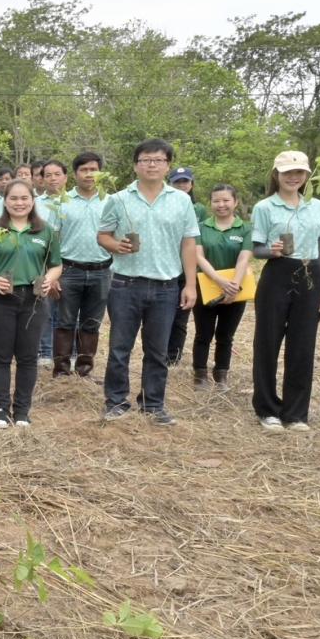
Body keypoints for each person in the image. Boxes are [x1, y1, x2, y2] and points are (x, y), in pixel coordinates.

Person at [97, 139, 199, 426]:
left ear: (167, 165)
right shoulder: (118, 199)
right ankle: (116, 401)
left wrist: (189, 284)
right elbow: (102, 236)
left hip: (166, 287)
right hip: (125, 284)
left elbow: (188, 244)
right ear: (135, 165)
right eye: (145, 159)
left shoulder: (181, 201)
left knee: (158, 350)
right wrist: (115, 246)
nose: (151, 164)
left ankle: (153, 404)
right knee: (119, 347)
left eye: (158, 160)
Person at [250, 151, 320, 432]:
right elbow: (256, 247)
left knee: (302, 346)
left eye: (298, 172)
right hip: (277, 275)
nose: (293, 177)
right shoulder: (264, 207)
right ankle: (267, 409)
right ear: (276, 174)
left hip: (309, 277)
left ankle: (296, 413)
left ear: (307, 175)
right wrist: (269, 252)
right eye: (287, 172)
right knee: (268, 343)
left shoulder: (317, 207)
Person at [0, 179, 61, 428]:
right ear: (4, 200)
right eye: (13, 198)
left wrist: (50, 280)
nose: (19, 203)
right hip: (0, 299)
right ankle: (1, 408)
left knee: (27, 356)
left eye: (24, 198)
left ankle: (22, 410)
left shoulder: (46, 231)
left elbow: (55, 264)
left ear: (32, 201)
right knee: (0, 355)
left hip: (33, 300)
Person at [54, 152, 112, 380]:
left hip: (101, 271)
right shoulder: (62, 202)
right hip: (69, 270)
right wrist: (53, 275)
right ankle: (61, 370)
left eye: (94, 169)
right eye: (84, 170)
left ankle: (84, 370)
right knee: (64, 321)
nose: (89, 174)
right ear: (75, 174)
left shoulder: (111, 202)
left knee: (92, 323)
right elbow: (53, 240)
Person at [192, 184, 252, 391]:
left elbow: (245, 258)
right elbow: (198, 256)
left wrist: (233, 284)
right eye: (216, 200)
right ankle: (200, 374)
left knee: (226, 335)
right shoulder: (201, 227)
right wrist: (219, 281)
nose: (221, 205)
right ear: (211, 203)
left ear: (235, 202)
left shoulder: (245, 228)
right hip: (206, 287)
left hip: (236, 289)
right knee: (203, 334)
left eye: (226, 200)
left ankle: (221, 374)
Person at [164, 167, 207, 366]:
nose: (182, 186)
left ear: (191, 184)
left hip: (188, 269)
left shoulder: (199, 209)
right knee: (163, 315)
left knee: (181, 316)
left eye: (185, 182)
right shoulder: (164, 206)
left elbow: (200, 239)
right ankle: (160, 352)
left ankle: (174, 356)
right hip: (167, 268)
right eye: (177, 182)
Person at [34, 160, 69, 366]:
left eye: (57, 174)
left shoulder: (73, 202)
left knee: (68, 312)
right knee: (42, 309)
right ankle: (44, 352)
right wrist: (49, 271)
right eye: (48, 175)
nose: (53, 178)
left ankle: (68, 353)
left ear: (65, 177)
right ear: (41, 178)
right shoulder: (34, 204)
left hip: (70, 265)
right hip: (40, 266)